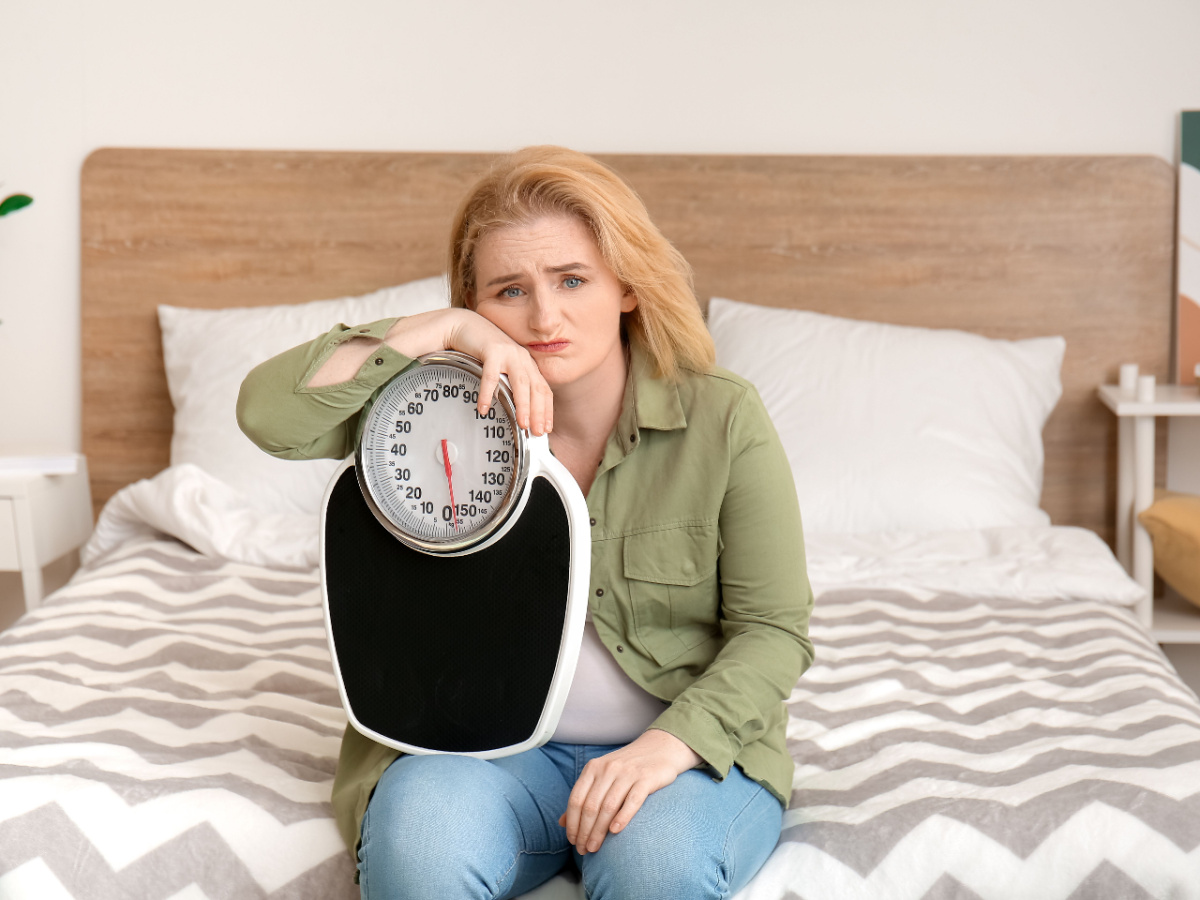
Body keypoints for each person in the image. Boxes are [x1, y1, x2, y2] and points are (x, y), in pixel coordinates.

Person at [237, 146, 814, 900]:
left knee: (657, 870)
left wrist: (671, 745)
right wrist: (438, 329)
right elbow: (266, 414)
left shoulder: (723, 415)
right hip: (471, 754)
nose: (544, 317)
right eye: (509, 291)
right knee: (422, 853)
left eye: (573, 280)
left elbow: (774, 630)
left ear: (627, 286)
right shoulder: (422, 412)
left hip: (674, 756)